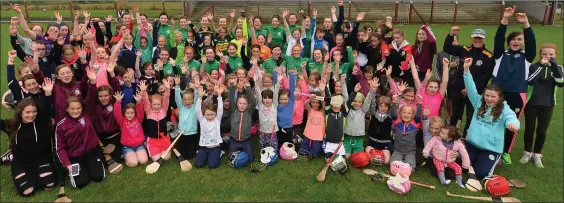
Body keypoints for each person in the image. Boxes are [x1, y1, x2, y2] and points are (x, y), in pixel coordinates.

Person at [462, 58, 519, 179]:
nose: (489, 99)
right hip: (472, 143)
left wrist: (513, 124)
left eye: (493, 96)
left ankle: (493, 160)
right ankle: (475, 159)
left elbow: (511, 117)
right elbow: (471, 87)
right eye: (486, 95)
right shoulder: (478, 102)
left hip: (490, 148)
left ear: (499, 98)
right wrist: (466, 69)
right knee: (462, 165)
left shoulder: (504, 109)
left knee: (482, 173)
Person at [492, 7, 536, 164]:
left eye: (519, 40)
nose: (516, 42)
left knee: (511, 125)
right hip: (497, 94)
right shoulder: (499, 55)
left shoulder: (527, 57)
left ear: (523, 42)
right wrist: (505, 19)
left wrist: (525, 24)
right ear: (508, 41)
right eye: (513, 39)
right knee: (493, 121)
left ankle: (505, 152)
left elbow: (531, 42)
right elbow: (498, 38)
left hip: (517, 94)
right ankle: (492, 148)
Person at [1, 80, 54, 196]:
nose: (31, 115)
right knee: (27, 191)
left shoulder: (41, 122)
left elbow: (47, 108)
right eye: (28, 112)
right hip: (21, 162)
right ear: (20, 112)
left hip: (40, 159)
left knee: (48, 185)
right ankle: (10, 157)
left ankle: (37, 173)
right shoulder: (12, 125)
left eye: (34, 112)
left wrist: (48, 93)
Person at [443, 26, 494, 136]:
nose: (477, 40)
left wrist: (470, 89)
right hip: (458, 88)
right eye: (475, 38)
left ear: (484, 39)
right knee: (455, 113)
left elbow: (486, 76)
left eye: (480, 38)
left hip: (474, 92)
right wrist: (451, 34)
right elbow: (447, 48)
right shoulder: (464, 49)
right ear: (471, 38)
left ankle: (466, 138)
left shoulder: (488, 56)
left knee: (471, 115)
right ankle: (451, 135)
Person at [520, 43, 563, 168]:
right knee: (529, 129)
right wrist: (541, 67)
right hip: (532, 102)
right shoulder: (534, 66)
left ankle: (537, 154)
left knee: (542, 131)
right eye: (544, 54)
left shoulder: (559, 67)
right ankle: (527, 152)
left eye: (551, 54)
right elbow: (530, 81)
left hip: (548, 104)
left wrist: (553, 65)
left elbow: (560, 83)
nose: (547, 56)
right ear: (540, 55)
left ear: (555, 55)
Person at [56, 94, 106, 189]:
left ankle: (92, 165)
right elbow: (60, 148)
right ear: (67, 109)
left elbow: (91, 98)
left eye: (78, 108)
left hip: (90, 153)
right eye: (72, 109)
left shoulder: (87, 116)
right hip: (74, 157)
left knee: (99, 177)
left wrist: (92, 82)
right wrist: (68, 164)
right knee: (80, 183)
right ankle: (77, 171)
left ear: (82, 108)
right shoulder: (61, 126)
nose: (76, 111)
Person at [113, 91, 148, 167]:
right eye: (127, 113)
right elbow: (116, 114)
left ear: (135, 113)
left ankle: (137, 154)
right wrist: (118, 102)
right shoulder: (122, 121)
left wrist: (138, 102)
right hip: (127, 147)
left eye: (132, 113)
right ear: (124, 113)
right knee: (133, 163)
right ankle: (126, 156)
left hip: (139, 145)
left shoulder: (138, 119)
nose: (130, 115)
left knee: (143, 161)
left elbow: (141, 111)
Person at [194, 84, 225, 169]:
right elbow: (197, 110)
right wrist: (200, 98)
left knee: (212, 165)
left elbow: (220, 109)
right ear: (204, 114)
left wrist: (219, 95)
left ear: (215, 114)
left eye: (212, 114)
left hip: (215, 147)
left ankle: (219, 153)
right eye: (208, 114)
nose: (210, 116)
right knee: (198, 164)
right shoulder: (202, 120)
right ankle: (202, 154)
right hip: (204, 147)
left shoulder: (217, 120)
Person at [389, 92, 422, 169]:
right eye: (404, 112)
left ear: (412, 115)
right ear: (400, 114)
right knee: (393, 166)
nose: (406, 115)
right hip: (398, 150)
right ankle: (401, 161)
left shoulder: (415, 123)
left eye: (409, 113)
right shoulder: (397, 122)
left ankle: (406, 162)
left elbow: (418, 115)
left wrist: (419, 103)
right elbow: (393, 113)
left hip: (410, 152)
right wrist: (394, 103)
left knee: (411, 168)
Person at [344, 83, 376, 158]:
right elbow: (346, 97)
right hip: (347, 136)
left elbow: (367, 101)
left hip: (358, 138)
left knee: (358, 157)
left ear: (362, 103)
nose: (357, 103)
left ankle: (356, 150)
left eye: (359, 102)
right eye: (355, 101)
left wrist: (371, 92)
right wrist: (343, 83)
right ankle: (347, 150)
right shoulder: (348, 109)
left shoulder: (363, 111)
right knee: (346, 156)